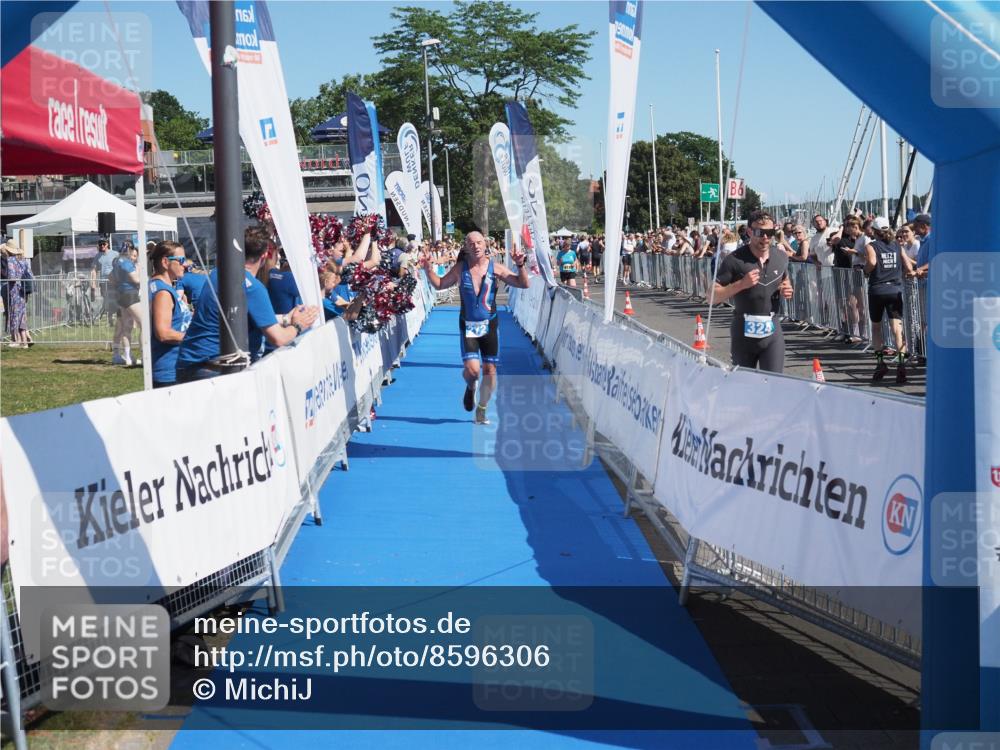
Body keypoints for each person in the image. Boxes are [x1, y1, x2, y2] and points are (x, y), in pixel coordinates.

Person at [176, 227, 319, 382]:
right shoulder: (253, 288)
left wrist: (286, 319)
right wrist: (298, 325)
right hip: (213, 371)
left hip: (191, 364)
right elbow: (279, 338)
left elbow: (240, 316)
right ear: (265, 255)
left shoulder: (218, 273)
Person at [419, 231, 530, 425]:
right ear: (466, 247)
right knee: (472, 372)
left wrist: (520, 265)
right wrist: (428, 269)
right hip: (468, 325)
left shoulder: (496, 268)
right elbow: (439, 285)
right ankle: (470, 388)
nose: (476, 246)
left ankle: (482, 408)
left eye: (479, 242)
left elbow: (523, 284)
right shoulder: (460, 269)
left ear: (485, 245)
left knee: (490, 371)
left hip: (490, 325)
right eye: (471, 243)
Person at [711, 210, 794, 373]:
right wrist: (741, 284)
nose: (765, 237)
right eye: (759, 232)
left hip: (772, 331)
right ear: (749, 232)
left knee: (774, 385)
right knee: (744, 387)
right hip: (743, 332)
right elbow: (711, 297)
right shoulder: (734, 260)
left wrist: (788, 289)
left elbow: (785, 281)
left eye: (769, 232)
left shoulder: (781, 257)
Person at [864, 217, 907, 383]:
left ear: (874, 231)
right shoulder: (897, 245)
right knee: (897, 328)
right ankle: (901, 364)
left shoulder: (872, 245)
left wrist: (866, 271)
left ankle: (880, 362)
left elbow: (872, 262)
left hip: (877, 289)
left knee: (876, 327)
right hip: (895, 289)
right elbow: (907, 266)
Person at [148, 241, 193, 388]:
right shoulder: (163, 293)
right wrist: (195, 337)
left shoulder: (161, 287)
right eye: (181, 260)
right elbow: (163, 333)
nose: (185, 265)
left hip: (171, 369)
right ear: (165, 262)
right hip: (169, 372)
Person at [112, 244, 143, 366]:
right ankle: (144, 355)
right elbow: (137, 280)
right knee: (144, 324)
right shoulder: (126, 263)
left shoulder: (116, 262)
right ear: (129, 251)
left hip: (122, 295)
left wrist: (119, 285)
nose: (134, 256)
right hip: (130, 295)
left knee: (126, 328)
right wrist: (139, 270)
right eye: (132, 253)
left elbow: (110, 277)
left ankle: (127, 356)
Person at [3, 240, 32, 348]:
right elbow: (30, 274)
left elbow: (11, 276)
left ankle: (16, 340)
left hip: (14, 290)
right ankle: (24, 342)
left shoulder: (10, 261)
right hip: (23, 291)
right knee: (22, 316)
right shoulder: (23, 261)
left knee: (14, 314)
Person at [90, 238, 119, 328]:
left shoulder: (115, 254)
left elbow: (120, 267)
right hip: (103, 282)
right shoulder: (97, 256)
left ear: (107, 244)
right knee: (107, 301)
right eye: (100, 244)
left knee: (116, 300)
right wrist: (93, 283)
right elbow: (94, 270)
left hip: (114, 282)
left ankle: (118, 320)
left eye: (103, 244)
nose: (102, 246)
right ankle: (109, 320)